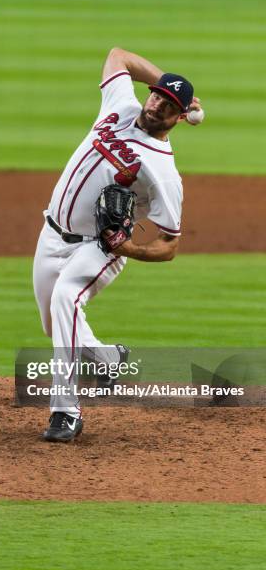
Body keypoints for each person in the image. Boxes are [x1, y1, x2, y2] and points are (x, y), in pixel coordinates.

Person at [33, 47, 202, 443]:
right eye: (158, 95)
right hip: (51, 232)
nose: (158, 104)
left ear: (178, 119)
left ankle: (66, 411)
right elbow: (118, 56)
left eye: (169, 105)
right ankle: (109, 358)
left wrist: (128, 250)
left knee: (66, 300)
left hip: (101, 246)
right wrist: (169, 82)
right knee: (54, 323)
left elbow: (170, 244)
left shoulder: (164, 174)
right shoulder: (122, 105)